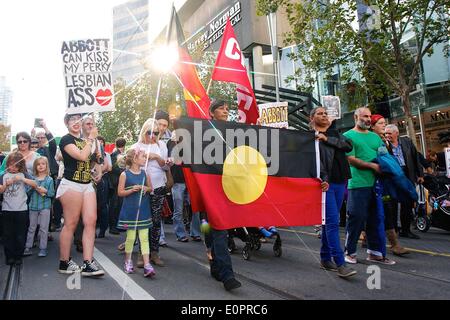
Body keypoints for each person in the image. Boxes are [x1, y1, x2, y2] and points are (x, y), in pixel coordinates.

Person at [343, 107, 395, 265]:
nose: (367, 119)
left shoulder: (375, 137)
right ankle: (349, 252)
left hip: (376, 185)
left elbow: (383, 155)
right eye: (364, 116)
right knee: (356, 218)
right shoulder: (347, 136)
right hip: (358, 184)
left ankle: (375, 253)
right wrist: (373, 166)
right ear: (355, 117)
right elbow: (350, 159)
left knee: (377, 218)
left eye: (369, 116)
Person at [310, 107, 357, 277]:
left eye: (325, 113)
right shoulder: (309, 137)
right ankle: (340, 263)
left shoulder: (334, 133)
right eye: (319, 113)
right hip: (326, 184)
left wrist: (327, 138)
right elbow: (312, 162)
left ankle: (324, 258)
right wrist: (321, 179)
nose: (324, 115)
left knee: (327, 222)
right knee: (332, 222)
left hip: (341, 182)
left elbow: (348, 145)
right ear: (312, 118)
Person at [56, 113, 104, 276]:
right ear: (66, 123)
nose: (76, 123)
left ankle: (88, 263)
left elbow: (93, 161)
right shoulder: (65, 140)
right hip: (71, 184)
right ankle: (64, 262)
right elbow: (82, 156)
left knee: (91, 221)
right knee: (71, 223)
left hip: (87, 184)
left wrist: (98, 171)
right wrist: (91, 139)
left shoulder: (87, 141)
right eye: (72, 120)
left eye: (79, 119)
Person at [207, 99, 241, 291]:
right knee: (216, 229)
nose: (226, 111)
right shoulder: (204, 131)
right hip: (209, 187)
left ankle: (215, 265)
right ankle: (227, 275)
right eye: (221, 108)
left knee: (216, 230)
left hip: (228, 186)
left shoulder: (233, 130)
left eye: (227, 109)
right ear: (212, 112)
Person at [133, 118, 173, 267]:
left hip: (158, 187)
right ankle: (141, 254)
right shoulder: (136, 146)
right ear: (144, 132)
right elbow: (131, 166)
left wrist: (161, 159)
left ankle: (154, 252)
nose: (153, 136)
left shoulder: (161, 145)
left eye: (156, 133)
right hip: (141, 188)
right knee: (142, 222)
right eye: (149, 132)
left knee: (156, 222)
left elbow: (165, 167)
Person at [371, 115, 409, 256]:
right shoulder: (370, 140)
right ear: (373, 126)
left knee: (388, 210)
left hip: (386, 182)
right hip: (372, 181)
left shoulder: (385, 143)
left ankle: (394, 244)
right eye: (381, 123)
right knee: (368, 212)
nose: (384, 126)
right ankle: (362, 238)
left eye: (385, 123)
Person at [117, 147, 155, 277]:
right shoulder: (124, 174)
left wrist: (146, 188)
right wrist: (132, 190)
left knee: (144, 238)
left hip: (144, 210)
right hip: (130, 211)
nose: (145, 158)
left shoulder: (145, 174)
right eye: (143, 156)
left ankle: (147, 264)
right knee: (131, 237)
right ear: (134, 159)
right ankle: (127, 261)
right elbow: (120, 192)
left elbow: (151, 189)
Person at [385, 124, 423, 239]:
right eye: (386, 133)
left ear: (396, 133)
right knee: (392, 204)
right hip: (392, 176)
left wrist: (420, 174)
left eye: (389, 133)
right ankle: (394, 230)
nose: (387, 136)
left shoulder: (407, 142)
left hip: (407, 174)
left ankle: (406, 230)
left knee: (407, 203)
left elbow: (416, 158)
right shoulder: (384, 145)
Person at [0, 151, 38, 265]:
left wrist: (22, 179)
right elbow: (1, 190)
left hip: (21, 210)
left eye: (15, 165)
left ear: (20, 166)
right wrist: (7, 184)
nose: (12, 168)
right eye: (10, 165)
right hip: (7, 209)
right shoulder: (3, 175)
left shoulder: (24, 174)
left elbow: (35, 184)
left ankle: (18, 256)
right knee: (8, 234)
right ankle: (9, 256)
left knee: (20, 234)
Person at [23, 157, 55, 257]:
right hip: (33, 206)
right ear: (35, 167)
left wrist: (45, 191)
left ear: (46, 166)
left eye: (43, 164)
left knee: (43, 228)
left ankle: (43, 248)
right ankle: (28, 246)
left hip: (45, 207)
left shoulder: (49, 179)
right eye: (38, 164)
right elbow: (27, 192)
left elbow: (52, 193)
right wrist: (33, 187)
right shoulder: (32, 179)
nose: (41, 166)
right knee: (32, 227)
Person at [108, 137, 127, 234]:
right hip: (115, 182)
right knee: (114, 205)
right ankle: (112, 226)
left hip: (119, 182)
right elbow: (113, 168)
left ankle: (118, 225)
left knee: (119, 204)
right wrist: (124, 172)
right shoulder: (115, 155)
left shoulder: (119, 154)